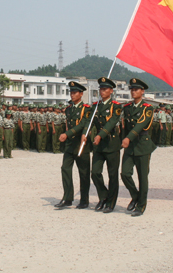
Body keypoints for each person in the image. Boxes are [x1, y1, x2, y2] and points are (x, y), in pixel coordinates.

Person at [84, 77, 122, 214]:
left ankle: (111, 203)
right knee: (95, 172)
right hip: (98, 146)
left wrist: (100, 135)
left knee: (113, 175)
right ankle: (103, 196)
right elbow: (89, 122)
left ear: (111, 91)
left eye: (105, 89)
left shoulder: (116, 106)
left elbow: (112, 122)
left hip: (111, 143)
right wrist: (85, 133)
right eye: (101, 88)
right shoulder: (95, 106)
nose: (102, 91)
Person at [120, 78, 156, 217]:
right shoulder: (127, 108)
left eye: (136, 89)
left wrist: (128, 138)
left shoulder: (147, 108)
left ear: (142, 91)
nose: (133, 92)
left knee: (142, 177)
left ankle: (141, 205)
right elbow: (125, 126)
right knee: (124, 174)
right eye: (132, 89)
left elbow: (141, 124)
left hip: (142, 144)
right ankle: (135, 196)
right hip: (130, 147)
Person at [55, 81, 91, 209]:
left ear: (81, 94)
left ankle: (84, 200)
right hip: (70, 145)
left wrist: (67, 133)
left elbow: (83, 124)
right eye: (71, 92)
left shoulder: (86, 109)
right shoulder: (68, 109)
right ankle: (67, 198)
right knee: (65, 168)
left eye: (75, 92)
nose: (72, 94)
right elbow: (68, 124)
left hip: (81, 144)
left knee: (84, 173)